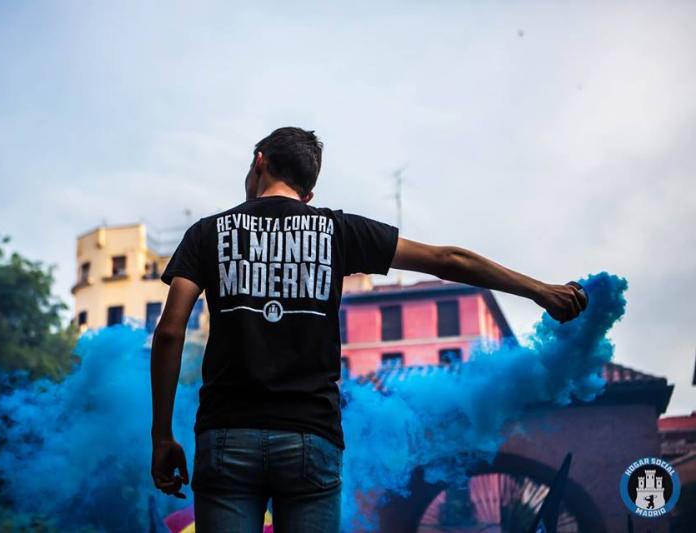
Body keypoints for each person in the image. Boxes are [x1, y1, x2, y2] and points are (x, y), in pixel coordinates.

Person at [150, 127, 586, 532]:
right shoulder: (337, 231)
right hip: (310, 436)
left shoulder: (206, 233)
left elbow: (170, 333)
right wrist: (539, 290)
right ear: (308, 193)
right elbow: (447, 260)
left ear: (259, 161)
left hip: (228, 436)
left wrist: (163, 435)